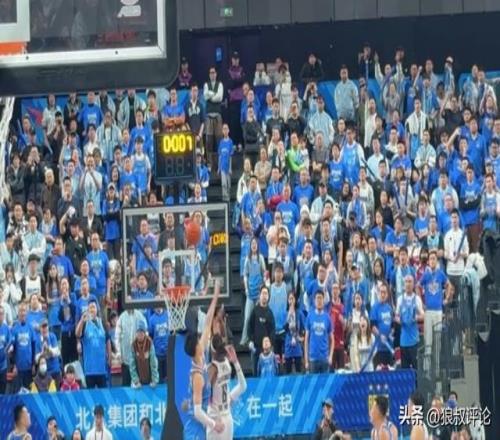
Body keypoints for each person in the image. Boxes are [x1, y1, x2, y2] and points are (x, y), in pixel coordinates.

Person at [184, 281, 223, 439]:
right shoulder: (198, 377)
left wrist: (215, 296)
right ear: (196, 348)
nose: (202, 339)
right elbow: (197, 412)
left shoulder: (201, 356)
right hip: (194, 431)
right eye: (199, 341)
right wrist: (214, 424)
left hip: (200, 427)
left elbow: (207, 324)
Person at [206, 336, 247, 440]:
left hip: (215, 420)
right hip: (228, 419)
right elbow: (243, 386)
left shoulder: (211, 369)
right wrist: (236, 362)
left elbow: (202, 398)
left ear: (212, 350)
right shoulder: (227, 364)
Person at [75, 300, 111, 389]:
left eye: (93, 307)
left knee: (103, 395)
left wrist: (109, 356)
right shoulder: (84, 323)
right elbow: (77, 334)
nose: (92, 309)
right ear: (87, 309)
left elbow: (108, 340)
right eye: (90, 307)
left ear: (97, 309)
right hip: (89, 369)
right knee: (90, 396)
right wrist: (81, 321)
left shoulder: (102, 322)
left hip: (102, 368)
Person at [395, 275, 424, 369]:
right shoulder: (400, 299)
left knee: (416, 369)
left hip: (414, 341)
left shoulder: (417, 299)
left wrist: (416, 318)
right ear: (404, 284)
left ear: (413, 284)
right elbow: (396, 316)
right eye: (406, 281)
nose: (408, 284)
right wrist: (399, 320)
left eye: (410, 281)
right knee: (405, 371)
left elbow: (423, 316)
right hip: (403, 342)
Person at [248, 285, 276, 376]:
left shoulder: (270, 313)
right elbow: (250, 327)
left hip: (267, 351)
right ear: (259, 295)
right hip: (256, 349)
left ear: (268, 297)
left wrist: (270, 344)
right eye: (263, 293)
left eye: (266, 294)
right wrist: (251, 340)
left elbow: (272, 331)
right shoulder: (255, 311)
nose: (264, 296)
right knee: (256, 373)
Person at [305, 291, 334, 373]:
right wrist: (306, 360)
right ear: (314, 301)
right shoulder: (310, 316)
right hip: (313, 358)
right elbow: (306, 340)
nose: (319, 301)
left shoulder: (327, 317)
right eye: (317, 298)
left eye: (321, 298)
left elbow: (332, 340)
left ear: (324, 300)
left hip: (324, 358)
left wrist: (330, 356)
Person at [129, 321, 159, 388]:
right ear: (136, 333)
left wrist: (154, 380)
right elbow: (132, 365)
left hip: (149, 379)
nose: (140, 334)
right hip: (138, 380)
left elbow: (153, 363)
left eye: (141, 332)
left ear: (145, 333)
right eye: (138, 332)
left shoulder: (149, 343)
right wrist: (136, 381)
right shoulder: (133, 345)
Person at [218, 124, 234, 202]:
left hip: (228, 166)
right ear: (222, 131)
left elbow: (230, 156)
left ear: (228, 130)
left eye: (226, 128)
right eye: (223, 129)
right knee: (223, 184)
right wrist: (218, 167)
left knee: (228, 184)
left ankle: (229, 198)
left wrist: (230, 168)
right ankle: (225, 199)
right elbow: (220, 156)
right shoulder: (221, 142)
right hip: (222, 166)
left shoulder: (230, 142)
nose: (225, 130)